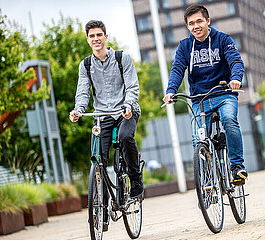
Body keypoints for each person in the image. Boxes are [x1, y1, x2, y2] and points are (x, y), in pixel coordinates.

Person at [162, 4, 247, 182]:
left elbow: (236, 61)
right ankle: (207, 179)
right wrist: (171, 91)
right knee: (198, 139)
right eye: (191, 23)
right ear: (187, 26)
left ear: (208, 21)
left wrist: (236, 78)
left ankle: (237, 167)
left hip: (224, 94)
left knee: (230, 121)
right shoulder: (185, 46)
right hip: (199, 99)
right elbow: (177, 69)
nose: (196, 26)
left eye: (199, 21)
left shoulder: (223, 39)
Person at [69, 20, 143, 199]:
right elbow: (83, 92)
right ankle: (101, 201)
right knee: (98, 157)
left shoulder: (122, 58)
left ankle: (135, 178)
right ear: (87, 39)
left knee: (125, 137)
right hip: (102, 116)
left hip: (126, 110)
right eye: (92, 36)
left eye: (99, 35)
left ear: (105, 37)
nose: (96, 39)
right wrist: (78, 110)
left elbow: (132, 87)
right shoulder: (85, 65)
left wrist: (128, 105)